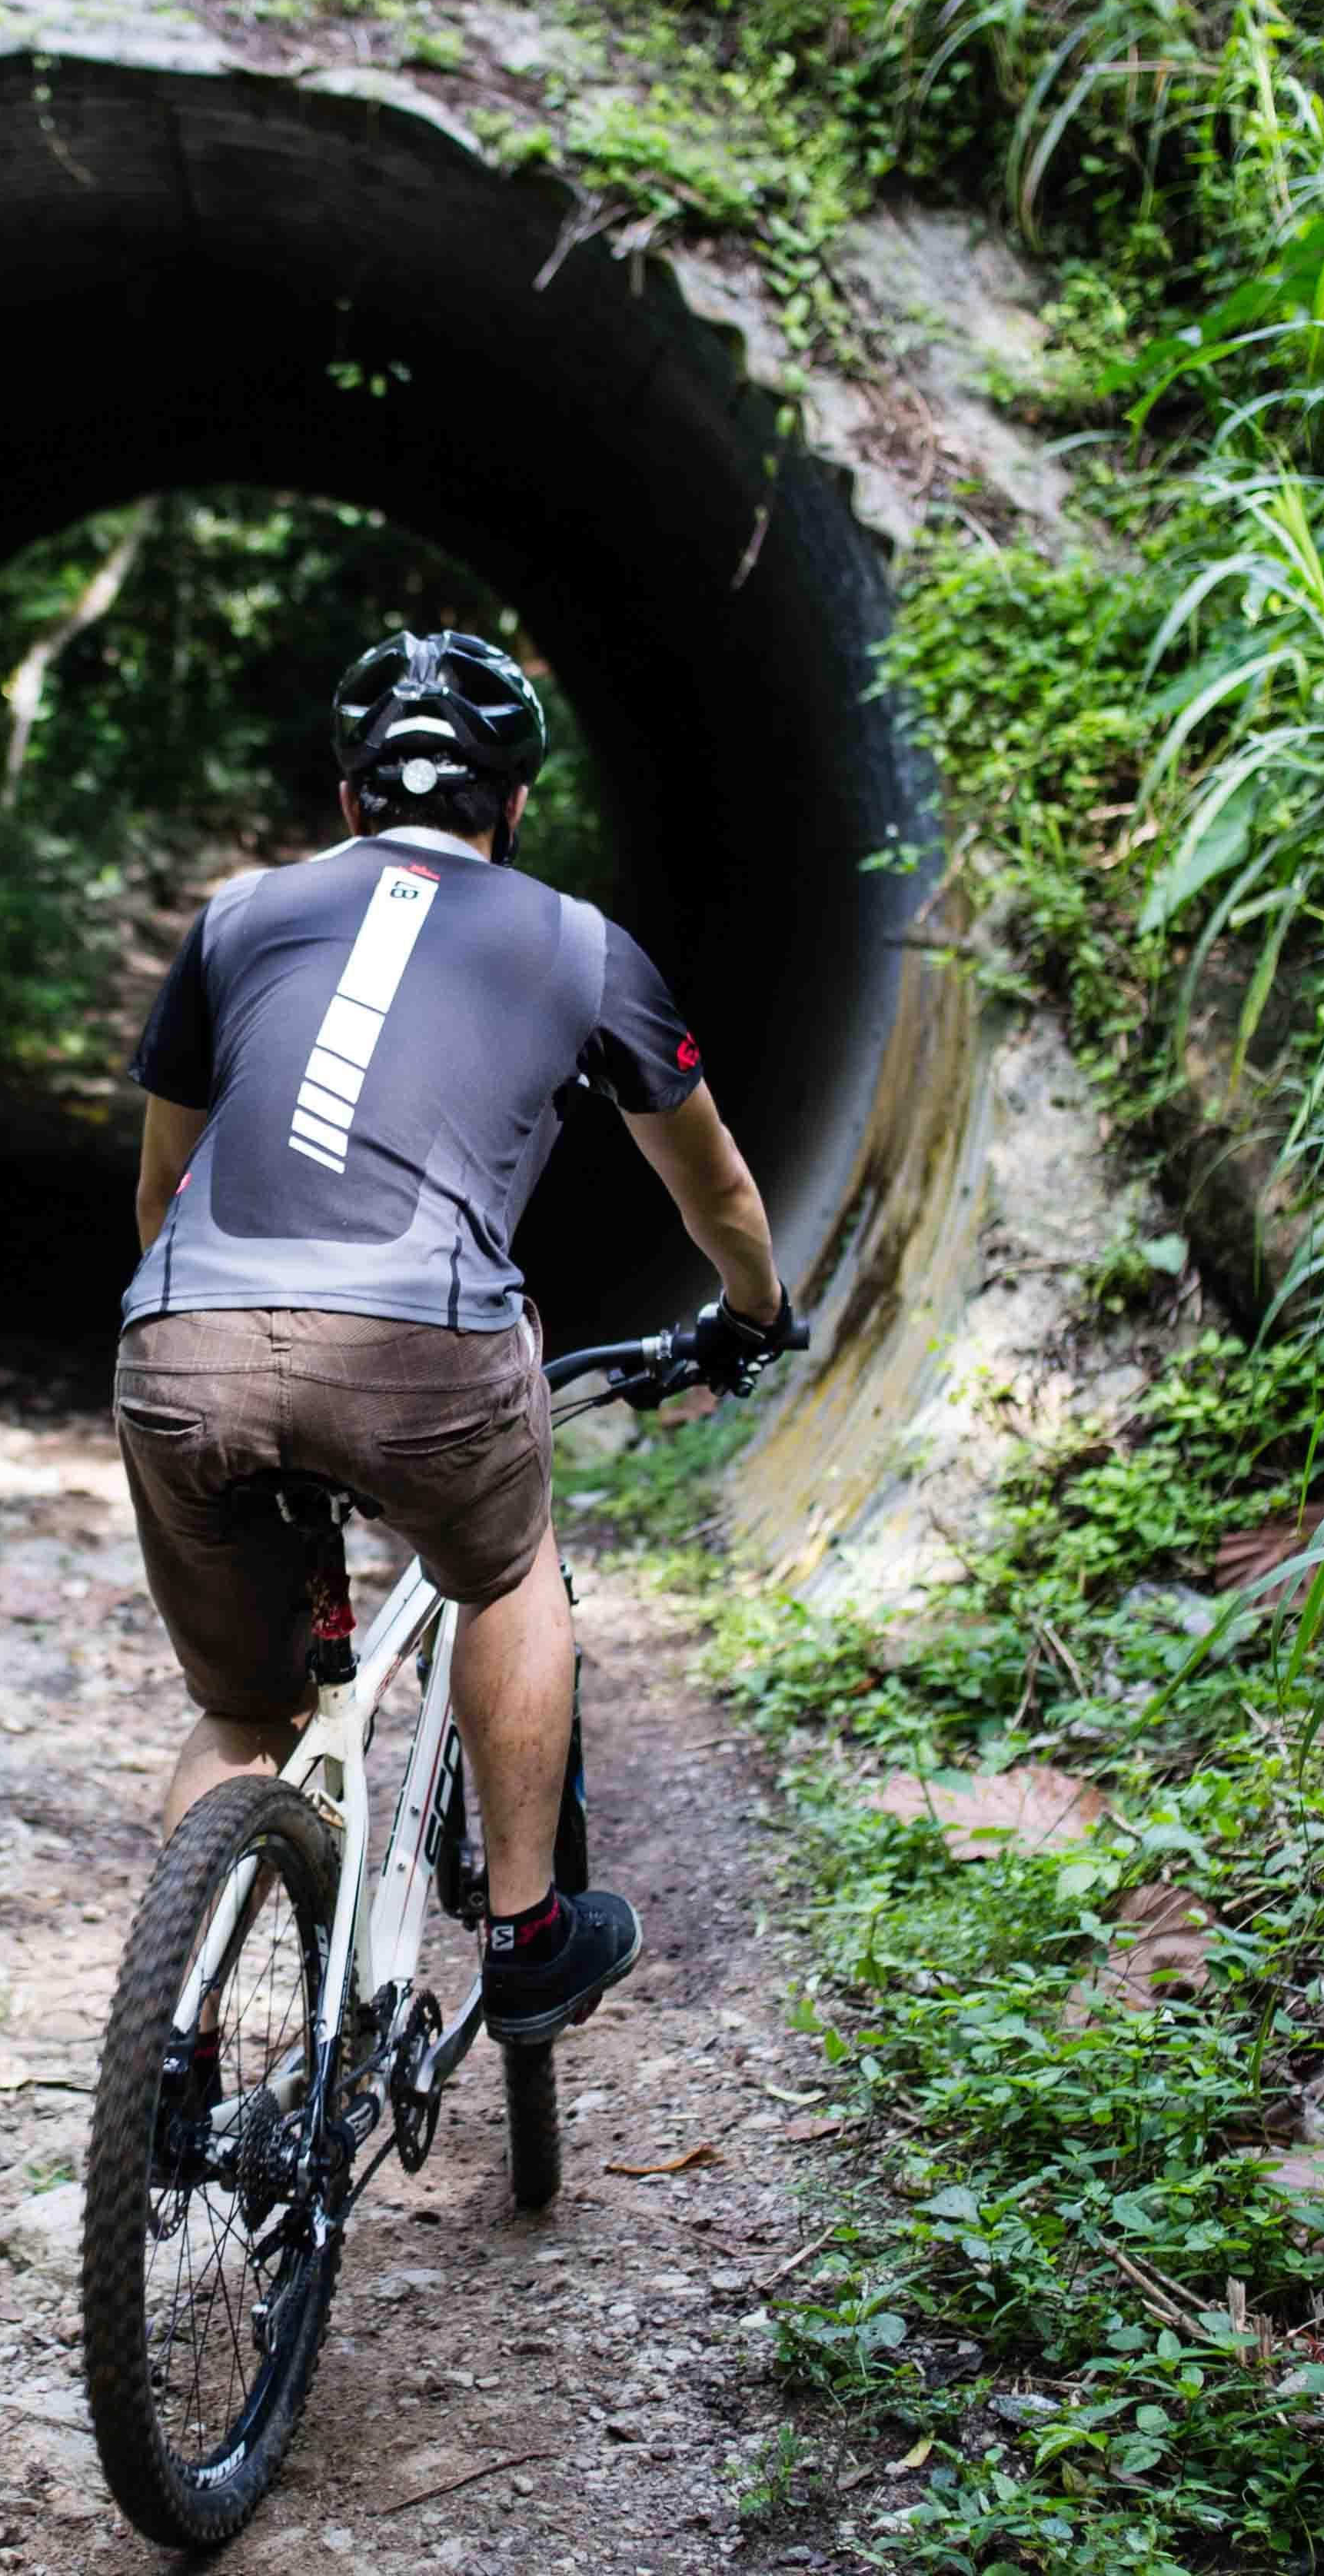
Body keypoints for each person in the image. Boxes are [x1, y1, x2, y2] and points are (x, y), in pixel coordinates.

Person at [112, 631, 808, 2039]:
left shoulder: (240, 920)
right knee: (506, 1571)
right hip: (424, 1349)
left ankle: (170, 2043)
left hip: (183, 1338)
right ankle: (529, 1930)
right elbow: (716, 1183)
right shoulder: (576, 942)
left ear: (353, 800)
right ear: (515, 805)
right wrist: (756, 1312)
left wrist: (238, 1351)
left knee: (245, 1716)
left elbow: (161, 1185)